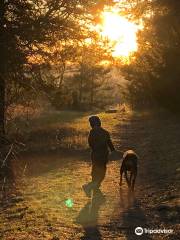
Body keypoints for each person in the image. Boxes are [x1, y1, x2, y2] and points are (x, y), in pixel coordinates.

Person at [83, 115, 115, 197]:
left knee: (95, 172)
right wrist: (114, 152)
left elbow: (90, 144)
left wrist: (96, 148)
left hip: (95, 155)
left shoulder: (92, 132)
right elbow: (110, 143)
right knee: (102, 173)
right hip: (103, 156)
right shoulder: (105, 132)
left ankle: (93, 187)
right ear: (99, 122)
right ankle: (90, 187)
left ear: (92, 124)